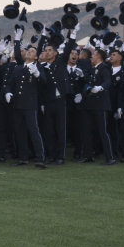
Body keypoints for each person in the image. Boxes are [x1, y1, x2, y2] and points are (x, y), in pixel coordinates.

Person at [4, 27, 47, 169]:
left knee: (34, 131)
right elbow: (10, 84)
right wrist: (8, 92)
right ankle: (23, 158)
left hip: (30, 105)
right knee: (20, 132)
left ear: (36, 57)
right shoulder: (18, 68)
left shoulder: (38, 67)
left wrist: (36, 74)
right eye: (28, 50)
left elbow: (44, 82)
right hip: (17, 105)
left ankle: (40, 158)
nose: (29, 51)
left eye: (32, 51)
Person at [37, 24, 79, 165]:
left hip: (60, 100)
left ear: (55, 53)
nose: (47, 52)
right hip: (48, 101)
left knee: (60, 129)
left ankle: (60, 156)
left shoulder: (60, 61)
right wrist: (42, 37)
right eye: (46, 51)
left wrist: (73, 35)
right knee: (49, 130)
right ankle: (51, 155)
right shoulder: (42, 67)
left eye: (49, 50)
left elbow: (67, 50)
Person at [79, 48, 115, 165]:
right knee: (87, 130)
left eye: (93, 55)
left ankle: (110, 157)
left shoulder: (103, 67)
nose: (91, 58)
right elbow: (90, 84)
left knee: (102, 131)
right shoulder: (96, 69)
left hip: (100, 105)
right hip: (91, 105)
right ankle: (89, 155)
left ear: (98, 56)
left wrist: (101, 88)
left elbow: (108, 81)